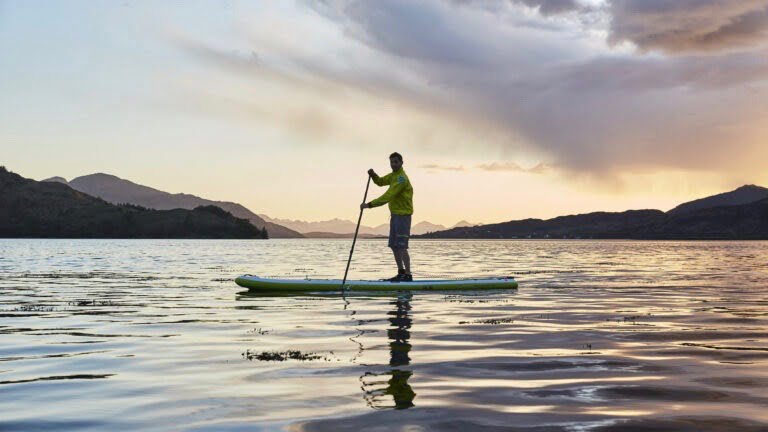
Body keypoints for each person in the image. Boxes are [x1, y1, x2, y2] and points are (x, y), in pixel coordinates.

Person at [360, 152, 414, 282]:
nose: (393, 164)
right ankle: (400, 272)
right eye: (391, 162)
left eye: (396, 162)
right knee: (394, 246)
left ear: (401, 162)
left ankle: (408, 274)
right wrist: (374, 176)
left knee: (401, 246)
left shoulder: (401, 179)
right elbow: (380, 182)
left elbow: (388, 196)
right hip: (395, 215)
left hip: (403, 215)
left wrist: (369, 205)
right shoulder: (393, 176)